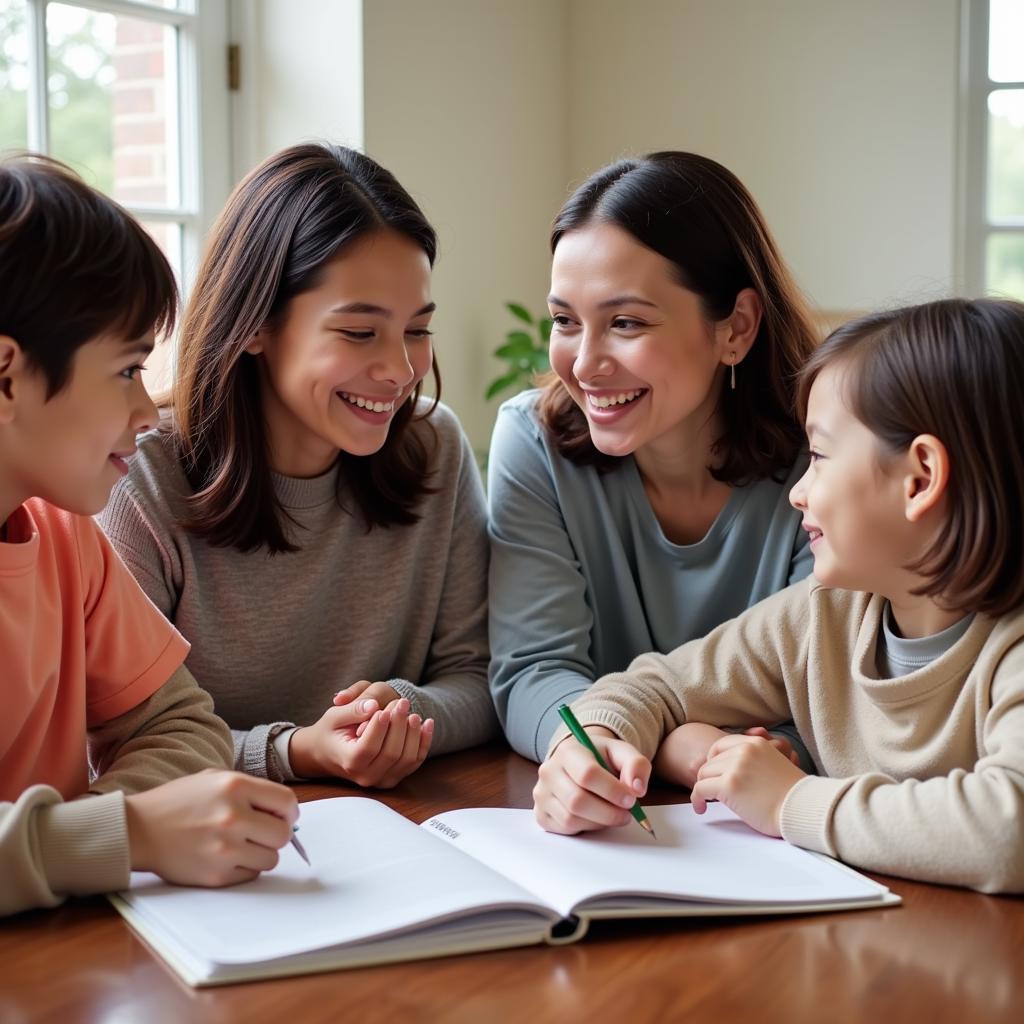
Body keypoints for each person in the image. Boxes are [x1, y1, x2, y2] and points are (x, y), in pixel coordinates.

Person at [535, 297, 1024, 894]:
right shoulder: (823, 613)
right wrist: (588, 748)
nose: (798, 492)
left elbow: (1008, 829)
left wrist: (791, 800)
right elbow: (655, 686)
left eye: (818, 457)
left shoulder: (1011, 645)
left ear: (919, 479)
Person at [98, 143, 496, 787]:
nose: (399, 370)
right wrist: (295, 751)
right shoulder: (140, 474)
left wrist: (403, 711)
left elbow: (478, 678)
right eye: (359, 332)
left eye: (417, 330)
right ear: (256, 324)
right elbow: (121, 734)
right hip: (204, 843)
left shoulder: (434, 449)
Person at [0, 155, 298, 917]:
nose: (145, 412)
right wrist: (123, 833)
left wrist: (105, 834)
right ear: (5, 377)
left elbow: (179, 722)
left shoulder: (68, 539)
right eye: (128, 369)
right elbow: (126, 829)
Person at [488, 151, 819, 764]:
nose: (584, 364)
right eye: (564, 320)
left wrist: (664, 742)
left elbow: (824, 699)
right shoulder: (533, 444)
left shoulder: (824, 461)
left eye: (626, 322)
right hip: (616, 800)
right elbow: (534, 670)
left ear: (736, 327)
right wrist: (639, 748)